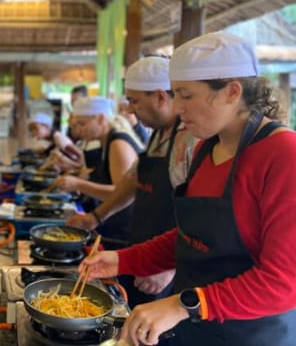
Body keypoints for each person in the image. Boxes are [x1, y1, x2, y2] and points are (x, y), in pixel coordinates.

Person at [81, 32, 296, 346]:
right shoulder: (205, 149)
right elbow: (192, 238)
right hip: (192, 327)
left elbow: (283, 283)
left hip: (249, 334)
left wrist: (181, 304)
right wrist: (124, 260)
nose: (177, 107)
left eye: (186, 95)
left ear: (232, 92)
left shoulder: (283, 154)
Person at [67, 57, 196, 316]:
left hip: (168, 268)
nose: (130, 110)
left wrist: (170, 266)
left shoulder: (191, 138)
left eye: (135, 101)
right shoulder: (159, 133)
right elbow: (131, 181)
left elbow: (201, 215)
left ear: (160, 97)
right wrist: (96, 216)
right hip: (142, 250)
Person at [55, 97, 141, 249]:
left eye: (82, 123)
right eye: (76, 125)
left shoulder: (118, 143)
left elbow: (122, 193)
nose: (79, 130)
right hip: (113, 223)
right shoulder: (106, 142)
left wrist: (78, 184)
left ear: (101, 118)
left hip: (125, 230)